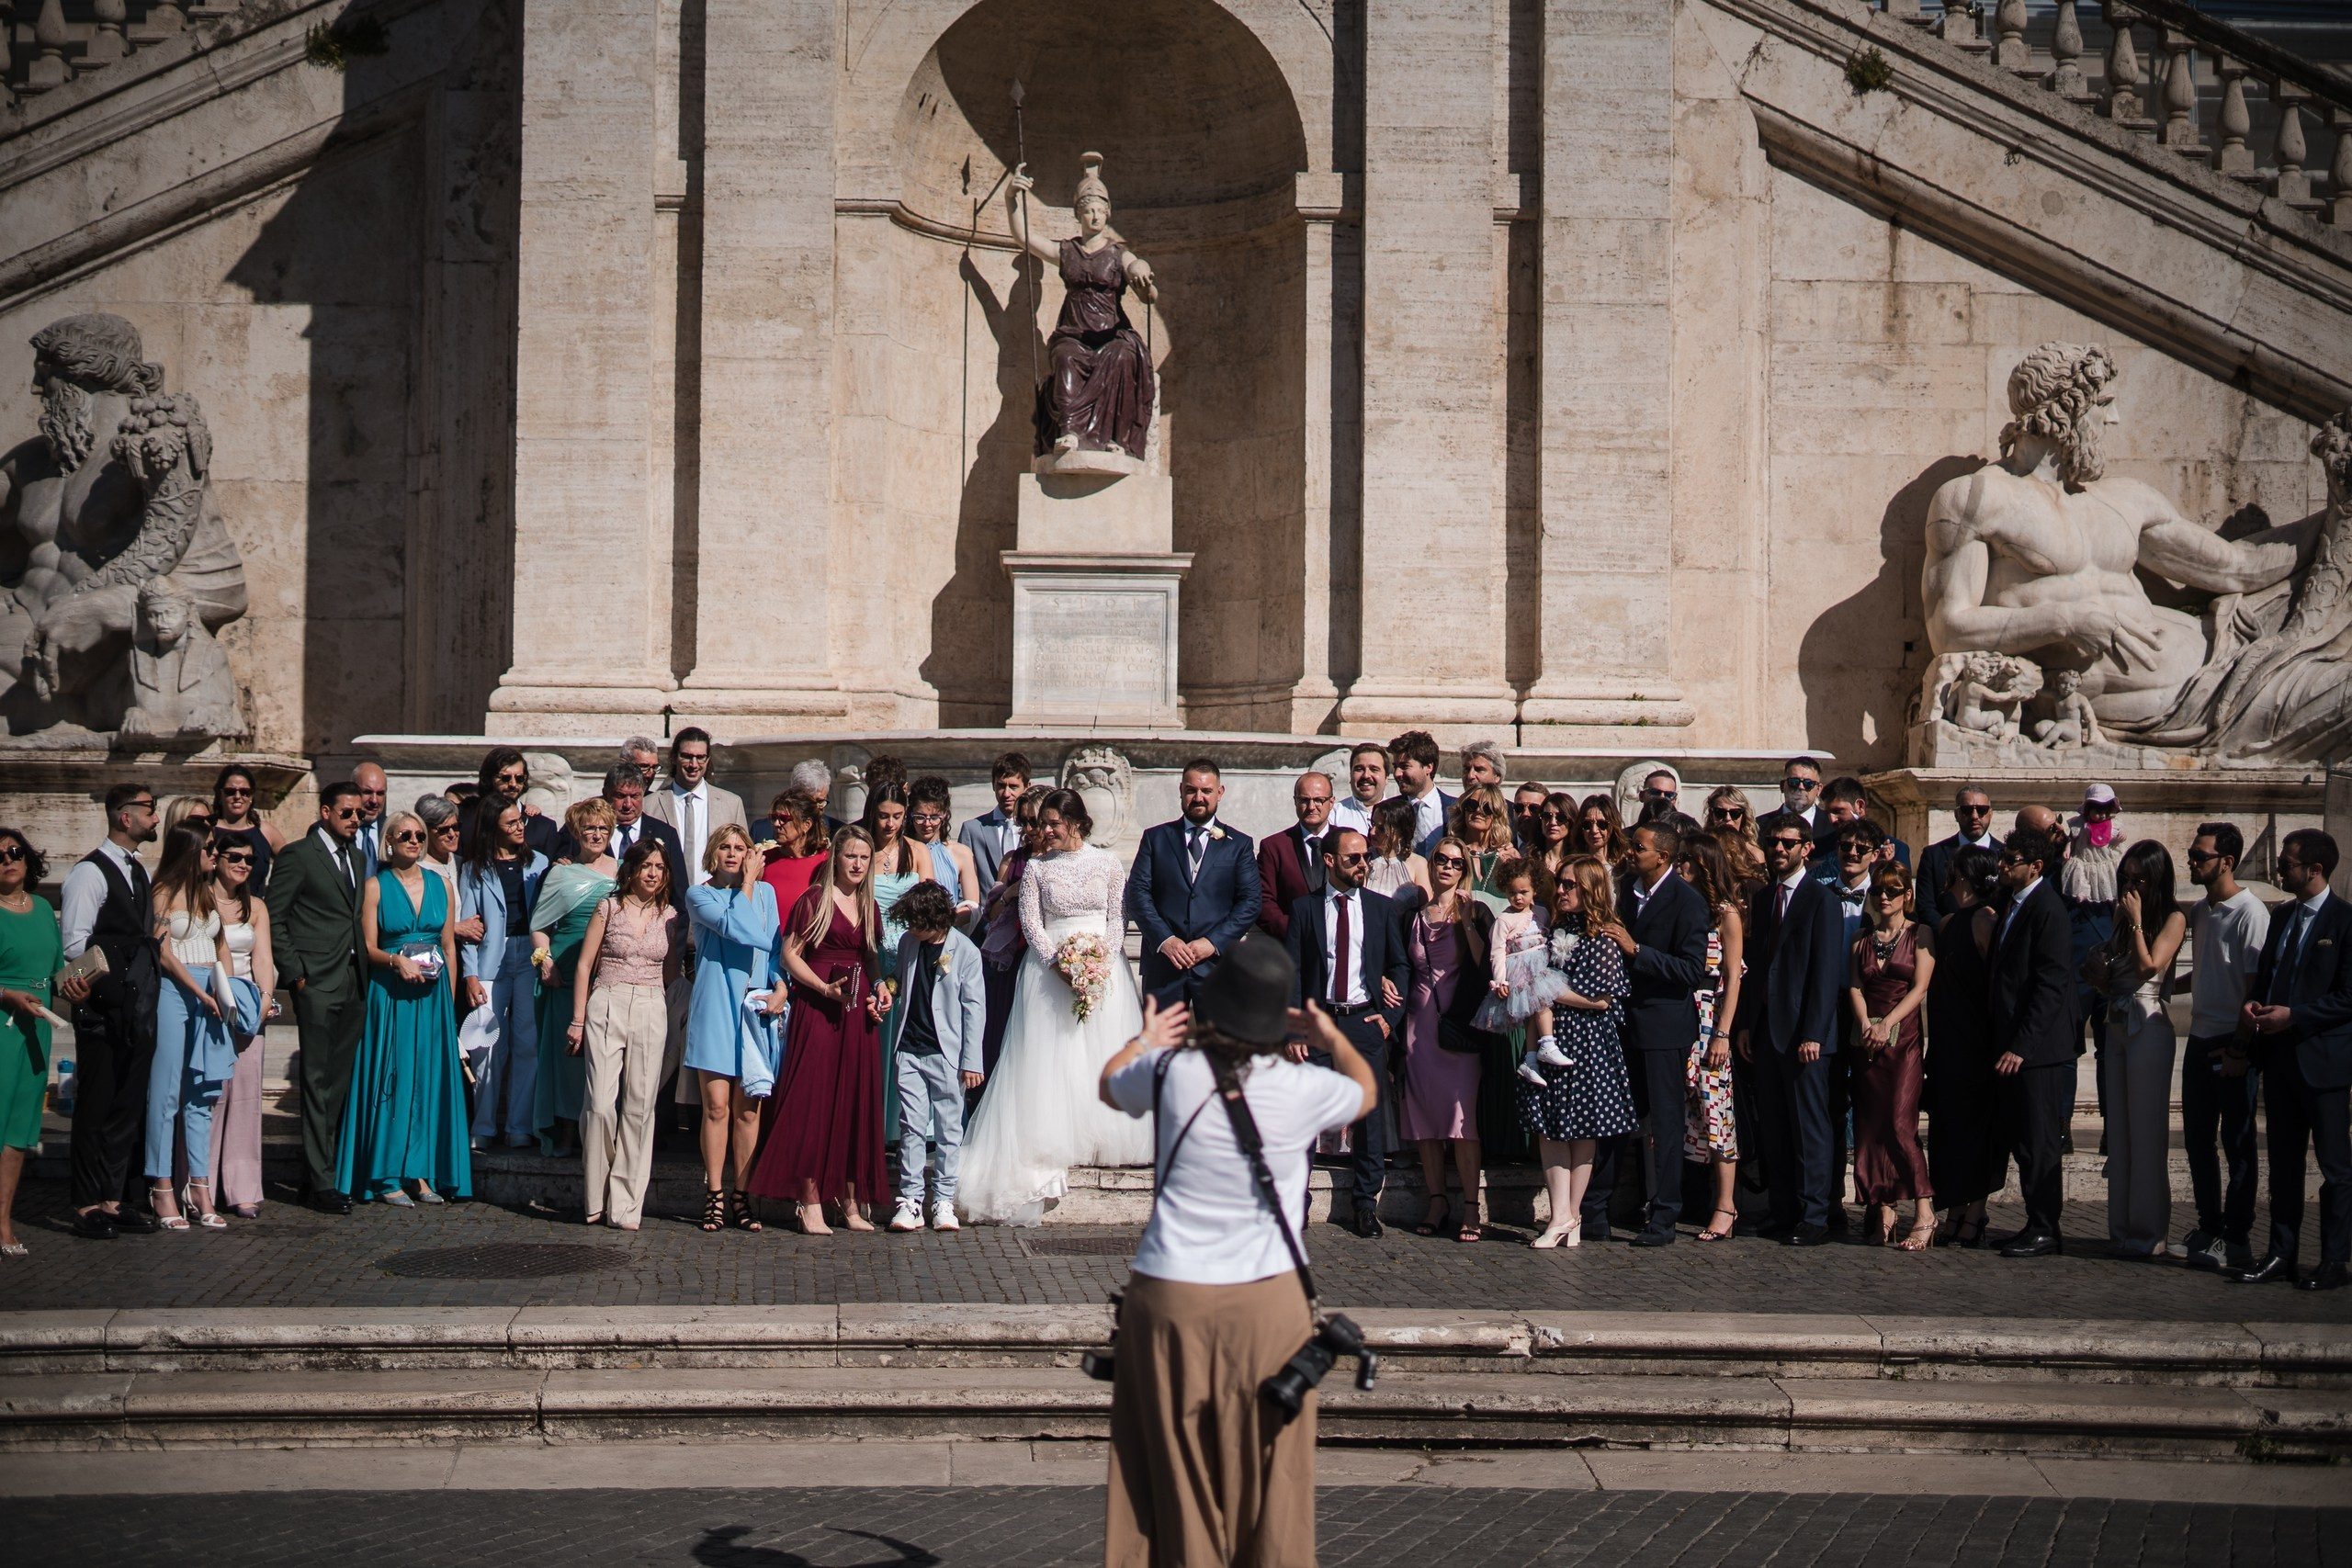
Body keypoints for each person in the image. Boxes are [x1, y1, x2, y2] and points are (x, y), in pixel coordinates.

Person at [1098, 939, 1374, 1568]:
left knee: (1174, 1469)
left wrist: (1145, 1038)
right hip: (1269, 1296)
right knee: (1273, 1476)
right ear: (1277, 1019)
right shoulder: (1304, 1086)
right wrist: (1332, 1036)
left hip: (1170, 1292)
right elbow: (1366, 1092)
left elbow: (1109, 1085)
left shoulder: (1169, 1071)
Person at [962, 788, 1153, 1224]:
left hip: (1102, 967)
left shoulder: (1106, 863)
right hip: (1048, 971)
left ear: (1077, 823)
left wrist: (1099, 961)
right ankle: (1051, 1137)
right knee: (1051, 1056)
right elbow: (1030, 921)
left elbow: (1116, 918)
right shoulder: (1037, 870)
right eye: (1041, 824)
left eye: (1053, 823)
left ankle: (1104, 1138)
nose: (1044, 831)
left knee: (1098, 1051)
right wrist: (1059, 963)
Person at [753, 828, 885, 1234]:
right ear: (836, 859)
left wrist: (882, 988)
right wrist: (823, 988)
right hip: (819, 1007)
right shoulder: (815, 900)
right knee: (814, 1102)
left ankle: (848, 1202)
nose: (858, 864)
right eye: (851, 856)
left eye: (864, 857)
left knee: (852, 1103)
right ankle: (809, 1200)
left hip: (857, 1016)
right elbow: (789, 955)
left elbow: (872, 960)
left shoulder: (870, 904)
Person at [2236, 829, 2351, 1292]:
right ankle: (2281, 1253)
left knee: (2335, 1167)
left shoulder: (2345, 921)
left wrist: (2296, 1016)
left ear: (2315, 870)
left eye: (2287, 861)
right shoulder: (2281, 916)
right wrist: (2256, 1006)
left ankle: (2334, 1261)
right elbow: (2268, 976)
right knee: (2283, 1164)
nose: (2280, 867)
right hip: (2280, 1061)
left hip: (2323, 1065)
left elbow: (2348, 997)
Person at [336, 810, 469, 1206]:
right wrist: (397, 962)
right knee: (392, 1079)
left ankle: (422, 1174)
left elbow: (449, 946)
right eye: (405, 835)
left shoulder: (442, 884)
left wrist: (448, 1000)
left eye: (419, 835)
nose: (414, 841)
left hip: (432, 1000)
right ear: (389, 841)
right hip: (391, 994)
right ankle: (386, 1174)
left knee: (428, 1081)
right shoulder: (376, 886)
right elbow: (368, 947)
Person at [1284, 828, 1410, 1239]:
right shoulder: (1304, 909)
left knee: (1368, 1118)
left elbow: (1400, 967)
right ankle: (1294, 1204)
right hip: (1318, 1021)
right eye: (1354, 857)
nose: (1363, 864)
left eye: (1366, 856)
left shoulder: (1380, 909)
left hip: (1363, 1022)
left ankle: (1364, 1205)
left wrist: (1390, 1016)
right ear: (1330, 861)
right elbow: (1294, 972)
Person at [1592, 820, 1711, 1247]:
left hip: (1664, 1027)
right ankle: (1595, 1211)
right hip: (1621, 1025)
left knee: (1664, 1123)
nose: (1629, 852)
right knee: (1614, 1117)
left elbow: (1691, 971)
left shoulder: (1688, 902)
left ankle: (1664, 1217)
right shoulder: (1623, 890)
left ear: (1663, 856)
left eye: (1637, 847)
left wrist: (1637, 951)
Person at [1736, 810, 1848, 1247]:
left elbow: (1825, 972)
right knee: (1776, 1127)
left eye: (1787, 842)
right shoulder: (1764, 899)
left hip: (1806, 1036)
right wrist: (1747, 1024)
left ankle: (1815, 1214)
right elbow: (1758, 966)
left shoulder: (1822, 900)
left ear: (1806, 848)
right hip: (1766, 1032)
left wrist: (1814, 1033)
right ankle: (1781, 1210)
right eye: (1772, 842)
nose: (1778, 849)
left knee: (1809, 1126)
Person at [60, 783, 163, 1237]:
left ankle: (113, 1197)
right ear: (126, 817)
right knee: (95, 1105)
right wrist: (97, 996)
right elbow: (75, 945)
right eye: (150, 809)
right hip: (101, 1008)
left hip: (136, 1008)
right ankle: (84, 1204)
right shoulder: (90, 872)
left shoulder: (137, 870)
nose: (156, 817)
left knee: (126, 1105)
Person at [1519, 856, 1637, 1249]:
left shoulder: (1604, 937)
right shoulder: (1556, 930)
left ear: (1591, 889)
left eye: (1571, 885)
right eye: (1561, 883)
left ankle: (1568, 1215)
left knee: (1584, 1129)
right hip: (1552, 1037)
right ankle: (1562, 1216)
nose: (1563, 890)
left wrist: (1548, 989)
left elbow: (1603, 999)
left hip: (1588, 1041)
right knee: (1549, 1126)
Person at [265, 782, 370, 1215]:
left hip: (352, 980)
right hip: (316, 983)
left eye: (359, 813)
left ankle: (319, 1174)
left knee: (339, 1084)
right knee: (315, 1081)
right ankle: (323, 1181)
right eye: (347, 812)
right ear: (325, 812)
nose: (355, 819)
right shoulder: (298, 855)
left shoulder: (359, 857)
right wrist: (296, 975)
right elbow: (274, 916)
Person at [569, 840, 682, 1230]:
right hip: (607, 1001)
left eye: (660, 867)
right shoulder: (608, 907)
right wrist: (578, 1020)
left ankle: (625, 1205)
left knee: (639, 1108)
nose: (653, 873)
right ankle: (596, 1195)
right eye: (647, 865)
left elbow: (671, 973)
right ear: (631, 869)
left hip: (652, 1004)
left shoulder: (670, 915)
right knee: (600, 1105)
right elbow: (584, 966)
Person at [2084, 839, 2186, 1258]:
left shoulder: (2173, 917)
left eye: (2138, 879)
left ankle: (2149, 1234)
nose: (2130, 887)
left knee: (2146, 1133)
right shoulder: (2122, 916)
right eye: (2125, 878)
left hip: (2149, 1024)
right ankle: (2122, 1229)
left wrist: (2138, 921)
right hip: (2117, 1020)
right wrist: (2100, 972)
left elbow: (2150, 967)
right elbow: (2118, 972)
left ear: (2156, 879)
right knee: (2121, 1133)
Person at [684, 823, 788, 1231]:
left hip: (754, 1008)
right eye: (725, 847)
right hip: (714, 1006)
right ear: (714, 852)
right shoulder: (700, 894)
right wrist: (746, 884)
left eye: (740, 847)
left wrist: (781, 986)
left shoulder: (768, 894)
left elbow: (776, 946)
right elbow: (738, 928)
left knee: (749, 1109)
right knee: (717, 1107)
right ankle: (714, 1194)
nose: (733, 853)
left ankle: (742, 1195)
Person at [2178, 821, 2268, 1274]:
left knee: (2237, 1143)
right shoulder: (2200, 910)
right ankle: (2209, 1226)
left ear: (2227, 862)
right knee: (2197, 1141)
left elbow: (2254, 988)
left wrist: (2239, 1048)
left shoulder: (2251, 912)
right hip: (2198, 1039)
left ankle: (2237, 1238)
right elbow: (2202, 972)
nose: (2192, 862)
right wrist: (2151, 983)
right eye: (2192, 854)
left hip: (2232, 1042)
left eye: (2200, 856)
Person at [1988, 824, 2080, 1258]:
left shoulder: (2047, 908)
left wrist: (2021, 1046)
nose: (2002, 866)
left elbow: (2051, 985)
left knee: (2041, 1141)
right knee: (2024, 1139)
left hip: (2038, 1051)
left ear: (2036, 866)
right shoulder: (2012, 901)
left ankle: (2046, 1226)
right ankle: (2034, 1221)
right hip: (2014, 1044)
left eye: (2010, 861)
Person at [886, 880, 988, 1233]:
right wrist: (887, 989)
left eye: (917, 923)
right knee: (911, 1126)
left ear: (936, 919)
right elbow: (899, 979)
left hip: (948, 1054)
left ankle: (943, 1198)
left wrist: (972, 1061)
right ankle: (910, 1199)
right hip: (909, 1049)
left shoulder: (966, 952)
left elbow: (975, 1009)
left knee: (948, 1129)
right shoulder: (908, 943)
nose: (911, 929)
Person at [1401, 836, 1489, 1242]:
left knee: (1462, 1119)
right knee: (1426, 1120)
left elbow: (1482, 961)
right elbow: (1407, 966)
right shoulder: (1415, 913)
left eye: (1456, 862)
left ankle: (1471, 1206)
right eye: (1442, 859)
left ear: (1465, 870)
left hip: (1459, 1025)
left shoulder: (1475, 909)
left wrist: (1468, 920)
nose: (1448, 867)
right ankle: (1437, 1200)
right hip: (1420, 1024)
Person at [1848, 862, 1938, 1249]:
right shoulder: (1860, 939)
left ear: (1907, 896)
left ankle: (1925, 1211)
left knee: (1901, 1126)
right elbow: (1853, 985)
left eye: (1893, 889)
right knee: (1870, 1127)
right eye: (1878, 890)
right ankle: (1883, 1207)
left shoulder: (1922, 934)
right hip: (1867, 1043)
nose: (1884, 896)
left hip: (1903, 1043)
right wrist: (1867, 1022)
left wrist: (1887, 1024)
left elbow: (1920, 989)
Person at [1128, 758, 1262, 1008]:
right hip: (1164, 967)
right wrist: (1165, 940)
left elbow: (1251, 902)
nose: (1198, 797)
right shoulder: (1155, 838)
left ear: (1220, 793)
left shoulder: (1239, 844)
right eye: (1191, 790)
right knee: (1162, 1047)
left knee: (1220, 1046)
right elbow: (1137, 894)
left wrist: (1212, 943)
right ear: (1181, 790)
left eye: (1206, 791)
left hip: (1218, 967)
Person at [528, 799, 619, 1156]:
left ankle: (597, 1135)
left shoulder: (624, 870)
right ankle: (566, 1132)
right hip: (565, 975)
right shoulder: (560, 873)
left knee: (603, 1055)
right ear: (577, 833)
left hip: (609, 972)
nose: (596, 835)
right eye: (589, 829)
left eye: (602, 829)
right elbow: (538, 926)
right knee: (568, 1056)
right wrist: (545, 960)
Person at [456, 801, 548, 1152]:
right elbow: (468, 923)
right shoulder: (476, 869)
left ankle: (519, 1125)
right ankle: (483, 1126)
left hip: (530, 954)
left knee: (528, 1043)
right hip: (490, 959)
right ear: (494, 827)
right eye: (510, 823)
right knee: (486, 1044)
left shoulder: (538, 862)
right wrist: (470, 975)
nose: (519, 827)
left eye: (520, 820)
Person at [1926, 845, 2006, 1247]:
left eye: (1951, 869)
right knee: (1950, 1128)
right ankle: (1956, 1205)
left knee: (1977, 1129)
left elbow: (1997, 987)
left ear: (1963, 874)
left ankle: (1975, 1212)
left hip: (1976, 1044)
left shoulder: (1985, 920)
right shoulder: (1948, 924)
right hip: (1947, 1042)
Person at [201, 828, 276, 1219]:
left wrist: (264, 1001)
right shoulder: (199, 899)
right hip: (211, 1006)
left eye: (251, 860)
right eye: (236, 858)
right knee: (211, 1098)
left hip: (250, 1010)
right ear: (217, 859)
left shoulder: (257, 906)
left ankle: (243, 1187)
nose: (245, 865)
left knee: (246, 1101)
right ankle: (203, 1186)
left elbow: (264, 958)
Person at [1677, 833, 1746, 1243]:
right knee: (1685, 1113)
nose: (1680, 865)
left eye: (1687, 858)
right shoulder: (1681, 907)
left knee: (1716, 1110)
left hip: (1710, 1018)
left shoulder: (1725, 913)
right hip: (1679, 1016)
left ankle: (1726, 1205)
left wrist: (1722, 1032)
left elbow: (1734, 977)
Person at [0, 829, 62, 1256]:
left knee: (20, 1129)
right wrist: (7, 996)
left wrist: (78, 985)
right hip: (3, 1022)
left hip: (38, 1026)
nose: (8, 859)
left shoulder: (42, 908)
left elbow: (57, 970)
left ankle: (2, 1221)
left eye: (14, 851)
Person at [975, 785, 1048, 1080]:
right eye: (1023, 822)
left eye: (1035, 821)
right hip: (1013, 957)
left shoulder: (1060, 859)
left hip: (1047, 959)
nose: (1029, 829)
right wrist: (1010, 893)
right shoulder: (1012, 859)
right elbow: (990, 916)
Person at [1475, 863, 1567, 1085]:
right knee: (1541, 1004)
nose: (1517, 898)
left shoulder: (1541, 913)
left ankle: (1531, 1059)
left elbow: (1547, 937)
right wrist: (1500, 980)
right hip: (1520, 972)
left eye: (1523, 892)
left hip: (1540, 966)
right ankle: (1547, 1043)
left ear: (1534, 889)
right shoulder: (1504, 920)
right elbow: (1496, 952)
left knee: (1539, 1008)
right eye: (1512, 892)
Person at [642, 728, 747, 886]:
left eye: (700, 757)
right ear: (674, 757)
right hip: (664, 899)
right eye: (687, 756)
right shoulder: (650, 804)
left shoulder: (732, 804)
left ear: (708, 759)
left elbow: (742, 857)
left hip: (716, 898)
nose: (693, 764)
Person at [576, 764, 687, 907]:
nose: (628, 805)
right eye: (621, 796)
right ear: (606, 794)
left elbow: (679, 895)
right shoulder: (585, 830)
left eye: (635, 796)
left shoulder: (666, 834)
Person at [1255, 770, 1334, 941]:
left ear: (1332, 802)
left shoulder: (1348, 842)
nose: (1311, 807)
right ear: (1295, 801)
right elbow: (1264, 900)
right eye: (1304, 800)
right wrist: (1294, 931)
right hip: (1294, 950)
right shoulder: (1274, 846)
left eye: (1319, 800)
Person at [1915, 785, 1997, 931]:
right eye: (1967, 810)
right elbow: (1925, 906)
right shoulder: (1934, 855)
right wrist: (1951, 933)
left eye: (1982, 810)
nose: (1974, 816)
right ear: (1956, 814)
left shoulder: (2003, 854)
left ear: (1990, 813)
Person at [459, 747, 560, 860]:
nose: (513, 784)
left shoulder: (543, 827)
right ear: (488, 778)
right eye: (505, 778)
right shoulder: (463, 820)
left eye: (520, 778)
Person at [908, 775, 983, 916]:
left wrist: (944, 923)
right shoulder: (900, 850)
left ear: (944, 815)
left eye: (934, 817)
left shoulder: (961, 853)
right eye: (920, 817)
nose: (927, 824)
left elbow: (973, 906)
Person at [957, 752, 1031, 894]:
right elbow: (961, 882)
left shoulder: (1036, 829)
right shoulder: (972, 830)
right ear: (993, 785)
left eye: (1014, 787)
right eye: (1001, 786)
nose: (1006, 794)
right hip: (986, 913)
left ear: (1027, 786)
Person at [758, 792, 831, 925]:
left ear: (806, 825)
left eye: (783, 818)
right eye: (773, 817)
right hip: (772, 944)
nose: (776, 824)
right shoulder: (764, 861)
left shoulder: (827, 862)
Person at [209, 763, 283, 891]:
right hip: (212, 906)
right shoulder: (208, 829)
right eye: (230, 792)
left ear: (251, 796)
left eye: (244, 792)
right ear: (220, 794)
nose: (238, 797)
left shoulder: (266, 832)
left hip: (255, 907)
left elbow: (293, 865)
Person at [1449, 784, 1521, 911]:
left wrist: (1517, 866)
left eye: (1487, 808)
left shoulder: (1508, 857)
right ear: (1463, 809)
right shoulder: (1449, 853)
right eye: (1472, 805)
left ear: (1497, 814)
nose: (1479, 811)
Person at [1386, 730, 1453, 858]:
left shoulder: (1456, 808)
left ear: (1428, 767)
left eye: (1405, 766)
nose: (1397, 774)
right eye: (1395, 767)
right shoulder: (1387, 810)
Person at [1363, 796, 1431, 905]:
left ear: (1400, 833)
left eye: (1381, 829)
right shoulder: (1365, 858)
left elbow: (1426, 908)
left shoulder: (1418, 863)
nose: (1372, 832)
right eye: (1373, 824)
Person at [1329, 742, 1389, 838]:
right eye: (1359, 769)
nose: (1366, 775)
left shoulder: (1400, 814)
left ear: (1386, 778)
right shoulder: (1334, 815)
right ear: (1350, 775)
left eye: (1374, 769)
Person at [1704, 786, 1764, 879]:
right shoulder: (1701, 848)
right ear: (1711, 814)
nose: (1727, 818)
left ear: (1743, 816)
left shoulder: (1754, 855)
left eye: (1735, 813)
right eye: (1720, 812)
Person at [415, 795, 464, 898]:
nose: (452, 834)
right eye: (443, 830)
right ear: (426, 830)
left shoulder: (462, 865)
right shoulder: (416, 867)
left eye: (455, 827)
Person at [1529, 793, 1577, 888]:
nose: (1552, 822)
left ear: (1571, 821)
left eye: (1561, 818)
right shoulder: (1529, 861)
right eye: (1547, 816)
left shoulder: (1580, 862)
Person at [352, 762, 389, 876]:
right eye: (367, 792)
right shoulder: (332, 829)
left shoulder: (391, 829)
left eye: (380, 793)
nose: (374, 800)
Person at [1575, 794, 1630, 870]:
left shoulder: (1624, 867)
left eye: (1602, 824)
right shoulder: (1573, 866)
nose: (1594, 830)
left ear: (1613, 826)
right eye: (1587, 824)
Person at [1778, 756, 1825, 838]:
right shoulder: (1760, 825)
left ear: (1818, 790)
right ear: (1782, 786)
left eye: (1808, 783)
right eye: (1794, 782)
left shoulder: (1833, 825)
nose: (1801, 787)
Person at [1510, 781, 1550, 852]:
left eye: (1534, 809)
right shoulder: (1502, 853)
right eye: (1519, 807)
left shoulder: (1555, 853)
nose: (1525, 814)